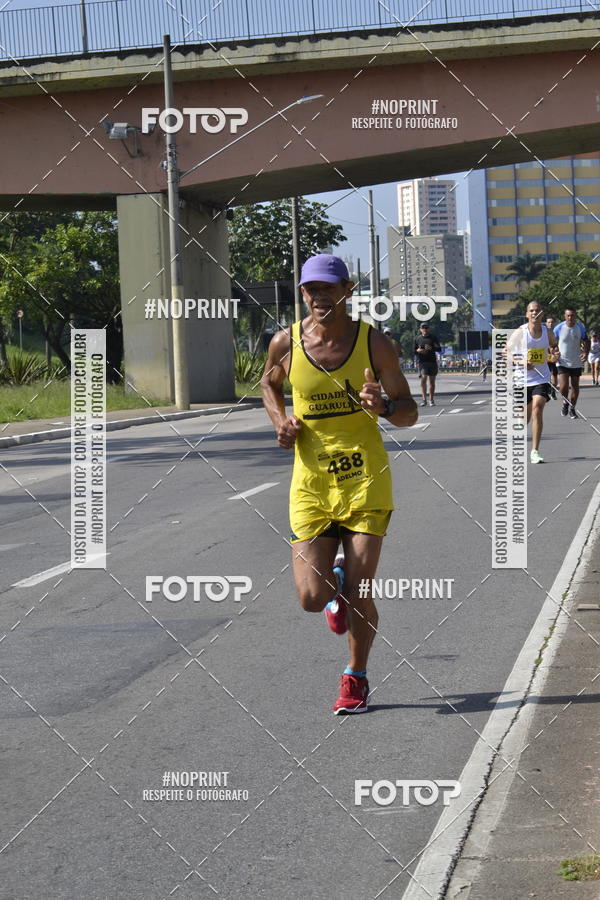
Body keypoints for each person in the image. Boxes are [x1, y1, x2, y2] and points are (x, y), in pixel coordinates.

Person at [261, 254, 418, 714]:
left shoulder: (375, 344)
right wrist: (281, 423)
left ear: (347, 291)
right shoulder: (285, 343)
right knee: (312, 599)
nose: (319, 297)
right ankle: (334, 584)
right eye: (311, 289)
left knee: (360, 590)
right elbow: (269, 386)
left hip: (365, 479)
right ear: (303, 293)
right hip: (311, 483)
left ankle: (356, 677)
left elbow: (411, 412)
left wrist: (384, 407)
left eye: (328, 288)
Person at [508, 300, 559, 463]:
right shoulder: (520, 332)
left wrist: (555, 355)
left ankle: (534, 451)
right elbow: (505, 352)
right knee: (525, 418)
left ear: (541, 313)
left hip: (541, 378)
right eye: (531, 311)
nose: (534, 313)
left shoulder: (547, 332)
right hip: (522, 380)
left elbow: (554, 347)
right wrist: (521, 362)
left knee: (538, 409)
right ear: (527, 314)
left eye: (537, 310)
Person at [554, 307, 589, 419]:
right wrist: (554, 352)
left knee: (575, 386)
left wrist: (585, 352)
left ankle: (572, 408)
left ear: (575, 316)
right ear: (565, 316)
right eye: (568, 315)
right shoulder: (559, 328)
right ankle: (565, 403)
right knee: (563, 387)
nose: (570, 317)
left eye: (572, 315)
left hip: (576, 361)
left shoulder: (580, 327)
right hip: (562, 361)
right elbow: (552, 343)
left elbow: (586, 340)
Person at [414, 322, 441, 406]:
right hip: (422, 362)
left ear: (428, 329)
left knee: (432, 382)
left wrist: (431, 348)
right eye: (423, 328)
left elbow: (439, 349)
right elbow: (413, 350)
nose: (425, 329)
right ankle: (424, 399)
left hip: (432, 361)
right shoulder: (417, 339)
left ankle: (431, 400)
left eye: (426, 328)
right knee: (423, 379)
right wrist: (419, 350)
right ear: (420, 329)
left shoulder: (433, 337)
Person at [545, 315, 558, 397]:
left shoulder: (557, 333)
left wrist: (556, 349)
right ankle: (548, 388)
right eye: (549, 322)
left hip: (555, 357)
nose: (550, 324)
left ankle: (553, 389)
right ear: (546, 323)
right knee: (547, 374)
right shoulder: (543, 333)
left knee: (555, 375)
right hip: (546, 357)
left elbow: (559, 344)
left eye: (552, 322)